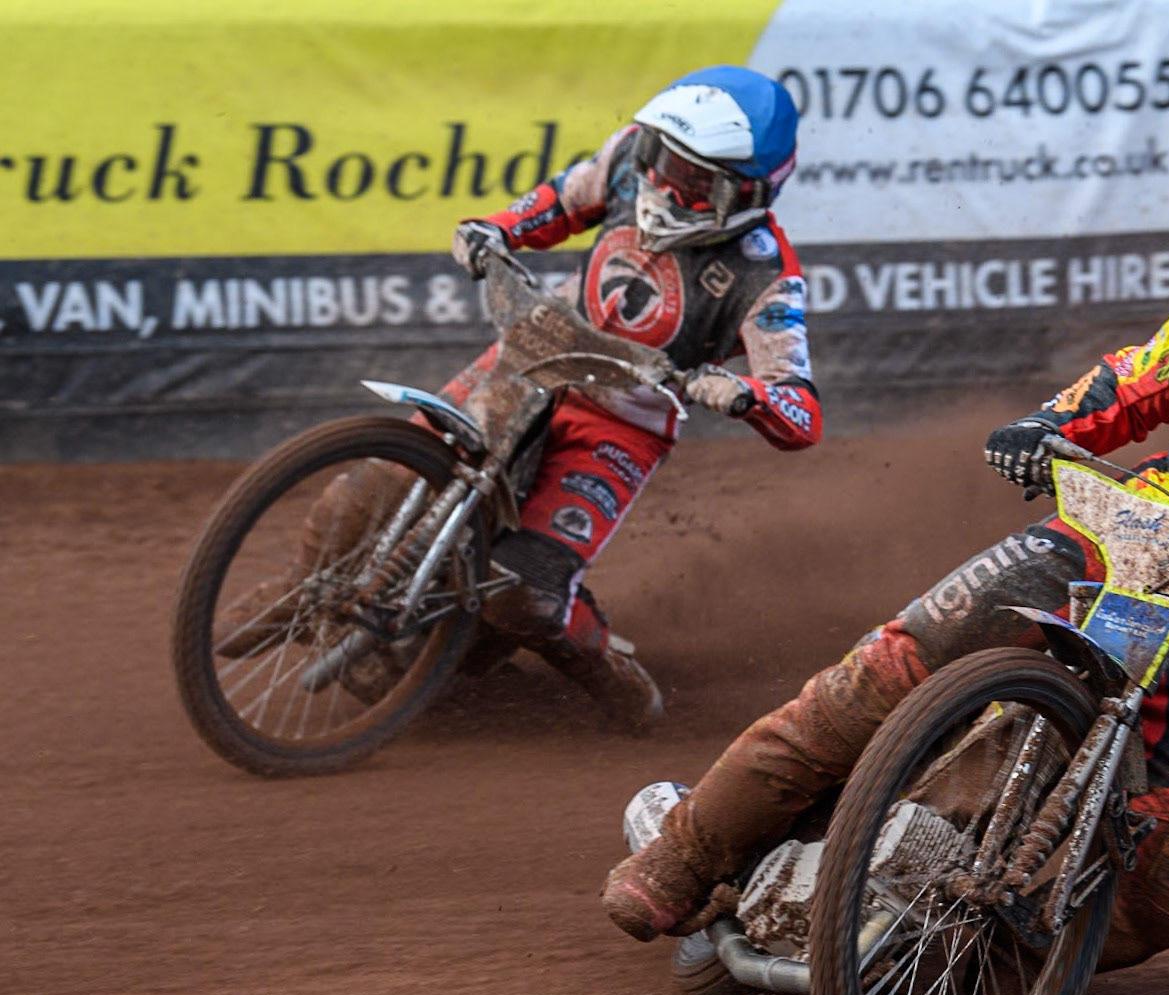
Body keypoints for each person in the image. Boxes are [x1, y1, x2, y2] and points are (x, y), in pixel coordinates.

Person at [601, 147, 1169, 966]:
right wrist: (1046, 423)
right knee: (877, 677)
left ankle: (999, 970)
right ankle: (679, 857)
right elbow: (1129, 380)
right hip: (1096, 547)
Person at [221, 66, 822, 727]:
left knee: (521, 594)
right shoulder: (628, 156)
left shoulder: (767, 277)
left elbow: (801, 407)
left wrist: (743, 394)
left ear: (749, 192)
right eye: (662, 159)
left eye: (694, 180)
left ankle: (604, 666)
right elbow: (565, 199)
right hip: (535, 350)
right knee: (374, 485)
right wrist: (497, 230)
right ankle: (299, 590)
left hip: (621, 422)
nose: (663, 184)